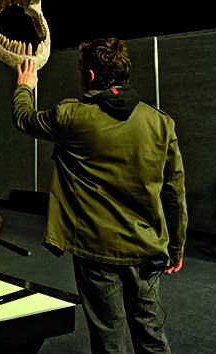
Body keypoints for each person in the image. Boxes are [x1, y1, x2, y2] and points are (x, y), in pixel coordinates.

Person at [12, 38, 188, 354]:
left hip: (96, 249)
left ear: (90, 75)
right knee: (151, 333)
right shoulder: (161, 122)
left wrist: (25, 86)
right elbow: (174, 192)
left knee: (108, 337)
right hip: (147, 247)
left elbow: (24, 118)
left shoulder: (72, 116)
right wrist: (176, 247)